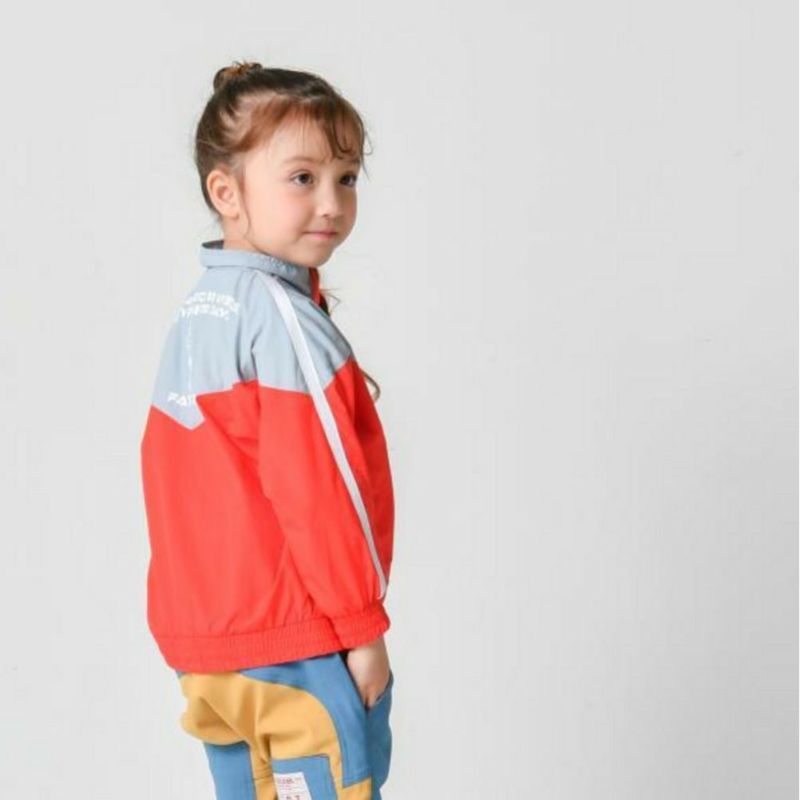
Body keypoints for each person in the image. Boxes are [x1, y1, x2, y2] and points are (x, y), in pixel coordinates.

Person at [139, 59, 396, 800]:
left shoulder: (200, 312)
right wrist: (361, 628)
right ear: (227, 192)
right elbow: (321, 488)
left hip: (208, 651)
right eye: (302, 178)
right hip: (293, 641)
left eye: (346, 178)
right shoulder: (279, 318)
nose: (331, 204)